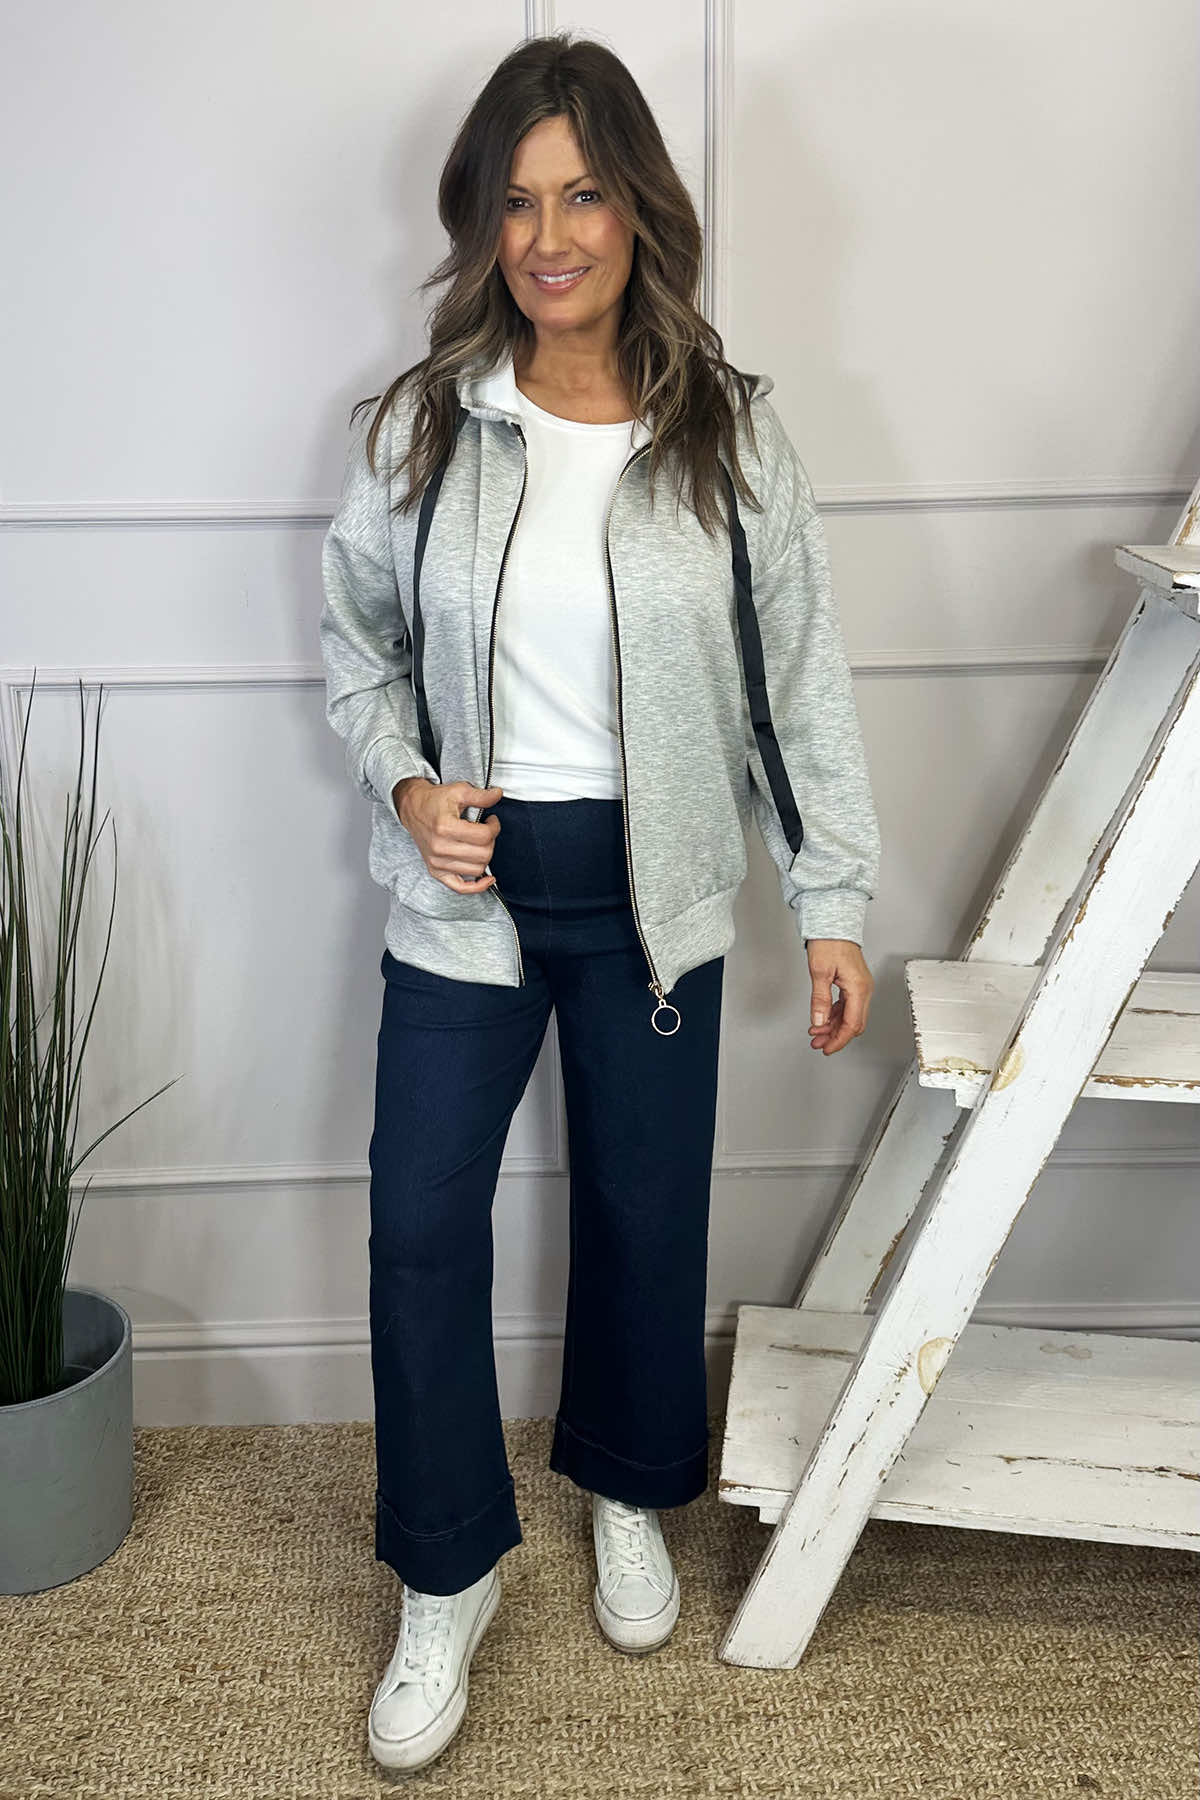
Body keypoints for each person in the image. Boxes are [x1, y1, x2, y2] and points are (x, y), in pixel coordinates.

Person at [319, 31, 881, 1776]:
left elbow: (798, 686)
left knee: (644, 1216)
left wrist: (834, 898)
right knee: (418, 1225)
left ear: (638, 208)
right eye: (516, 203)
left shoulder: (730, 434)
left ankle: (627, 1491)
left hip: (655, 897)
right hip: (468, 897)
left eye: (581, 197)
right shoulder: (425, 428)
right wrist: (411, 793)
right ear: (482, 224)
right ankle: (447, 1572)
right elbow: (358, 655)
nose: (550, 238)